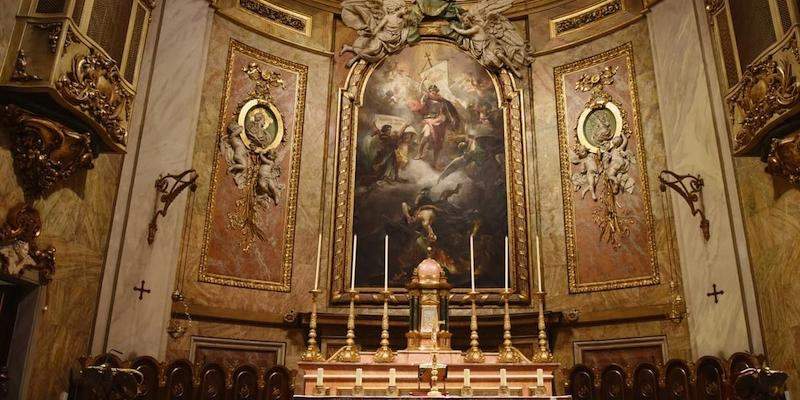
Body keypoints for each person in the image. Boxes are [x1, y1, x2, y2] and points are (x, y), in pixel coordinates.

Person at [413, 85, 460, 168]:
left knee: (438, 143)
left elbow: (446, 110)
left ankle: (435, 162)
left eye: (435, 90)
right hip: (429, 119)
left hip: (440, 121)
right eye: (431, 90)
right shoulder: (426, 98)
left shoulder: (441, 100)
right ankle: (419, 152)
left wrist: (450, 119)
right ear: (429, 91)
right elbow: (422, 107)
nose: (433, 92)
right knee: (426, 136)